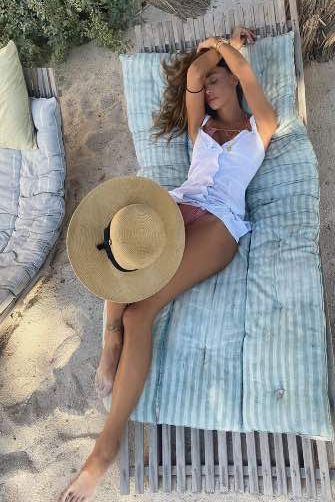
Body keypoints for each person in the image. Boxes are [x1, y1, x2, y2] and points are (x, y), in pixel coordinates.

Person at [58, 26, 277, 502]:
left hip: (219, 223)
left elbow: (240, 72)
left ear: (235, 81)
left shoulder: (261, 125)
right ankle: (111, 338)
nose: (209, 87)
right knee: (120, 238)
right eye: (207, 83)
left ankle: (105, 447)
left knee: (142, 313)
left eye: (218, 79)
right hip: (177, 205)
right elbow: (194, 73)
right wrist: (212, 56)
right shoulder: (200, 128)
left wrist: (230, 49)